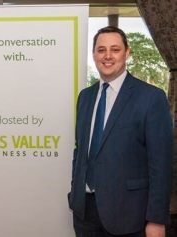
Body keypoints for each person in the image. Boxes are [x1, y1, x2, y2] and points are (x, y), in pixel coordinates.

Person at [68, 26, 173, 237]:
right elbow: (81, 150)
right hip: (84, 214)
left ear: (127, 53)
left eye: (115, 49)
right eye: (101, 50)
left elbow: (161, 164)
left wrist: (156, 219)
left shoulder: (151, 97)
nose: (107, 56)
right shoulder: (85, 97)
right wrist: (75, 192)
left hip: (129, 216)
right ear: (94, 55)